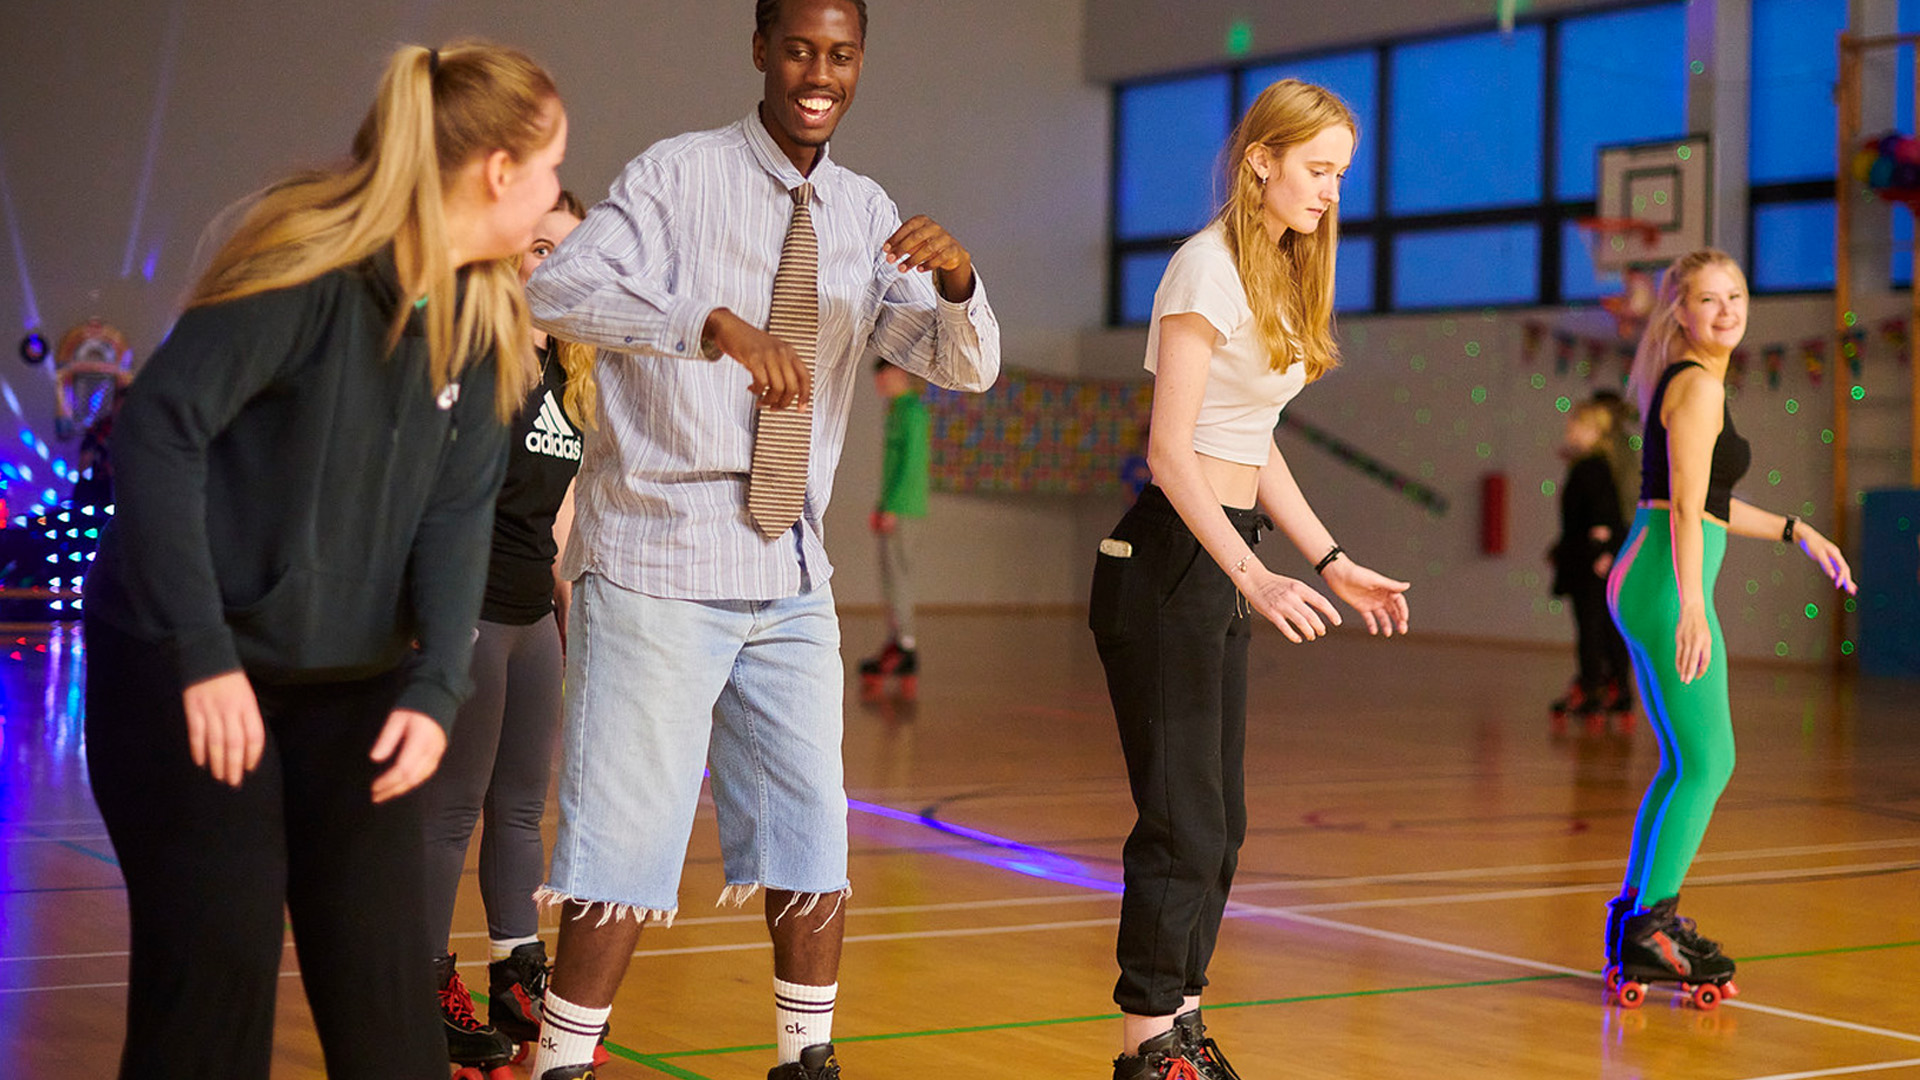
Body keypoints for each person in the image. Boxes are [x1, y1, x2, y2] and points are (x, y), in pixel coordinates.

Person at [521, 2, 999, 1078]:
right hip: (656, 559)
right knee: (625, 843)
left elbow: (963, 366)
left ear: (859, 63)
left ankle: (805, 1059)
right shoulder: (672, 178)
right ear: (761, 52)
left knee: (809, 828)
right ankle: (561, 1066)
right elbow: (556, 285)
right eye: (799, 49)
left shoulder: (864, 209)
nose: (818, 74)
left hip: (787, 565)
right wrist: (709, 324)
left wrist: (962, 285)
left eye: (840, 55)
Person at [81, 41, 564, 1079]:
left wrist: (436, 687)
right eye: (555, 168)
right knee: (214, 990)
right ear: (498, 173)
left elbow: (456, 513)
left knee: (387, 1008)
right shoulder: (305, 266)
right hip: (185, 659)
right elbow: (157, 433)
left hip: (351, 681)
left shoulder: (487, 318)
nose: (559, 197)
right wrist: (203, 655)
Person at [1088, 79, 1411, 1080]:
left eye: (1341, 177)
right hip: (1170, 561)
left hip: (1222, 555)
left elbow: (1253, 443)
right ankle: (1146, 1052)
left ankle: (1182, 1026)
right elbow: (1172, 453)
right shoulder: (1204, 270)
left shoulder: (1276, 269)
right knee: (1182, 820)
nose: (1330, 194)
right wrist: (1251, 577)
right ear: (1261, 160)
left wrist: (1329, 559)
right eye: (1318, 170)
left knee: (1218, 826)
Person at [1602, 249, 1855, 1003]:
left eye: (1736, 296)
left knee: (1688, 762)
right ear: (1680, 310)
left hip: (1655, 575)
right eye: (1708, 300)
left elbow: (1707, 501)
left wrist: (1795, 529)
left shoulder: (1693, 381)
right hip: (1662, 581)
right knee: (1710, 761)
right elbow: (1683, 507)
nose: (1726, 312)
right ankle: (1651, 928)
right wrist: (1689, 606)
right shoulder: (1698, 386)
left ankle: (1639, 921)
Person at [418, 189, 595, 1070]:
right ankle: (417, 987)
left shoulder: (572, 372)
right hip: (470, 612)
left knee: (523, 805)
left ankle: (514, 978)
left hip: (533, 615)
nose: (547, 263)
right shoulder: (478, 360)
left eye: (563, 247)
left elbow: (559, 516)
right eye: (533, 247)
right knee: (451, 812)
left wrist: (569, 606)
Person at [1548, 397, 1631, 728]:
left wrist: (1601, 553)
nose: (1569, 429)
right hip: (1596, 557)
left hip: (1592, 562)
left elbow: (1602, 516)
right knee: (1607, 628)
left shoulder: (1591, 467)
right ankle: (1614, 691)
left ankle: (1596, 692)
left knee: (1593, 628)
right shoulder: (1599, 465)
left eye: (1575, 424)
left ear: (1593, 431)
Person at [856, 356, 930, 698]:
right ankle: (896, 640)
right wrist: (880, 505)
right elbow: (891, 467)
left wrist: (894, 508)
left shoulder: (913, 412)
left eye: (883, 377)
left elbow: (911, 467)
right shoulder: (897, 410)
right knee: (890, 578)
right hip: (892, 507)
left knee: (899, 577)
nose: (880, 386)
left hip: (905, 509)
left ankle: (906, 646)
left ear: (899, 373)